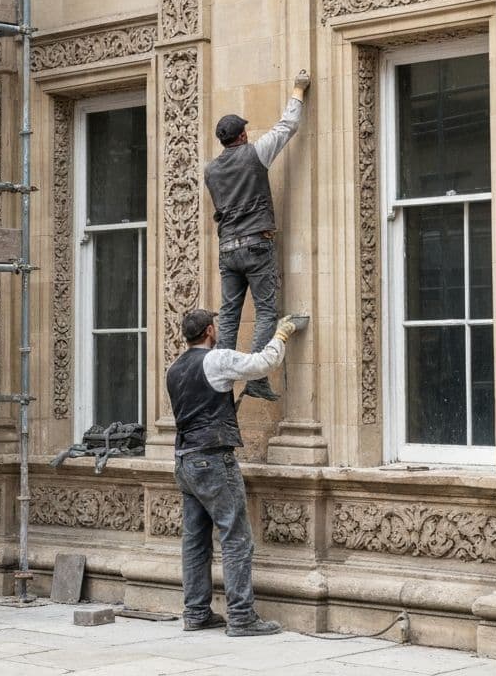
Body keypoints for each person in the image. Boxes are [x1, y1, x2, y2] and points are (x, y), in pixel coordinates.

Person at [167, 308, 306, 637]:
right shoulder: (216, 359)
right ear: (210, 331)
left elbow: (200, 407)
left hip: (185, 461)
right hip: (213, 460)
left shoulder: (174, 368)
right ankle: (242, 617)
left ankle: (197, 612)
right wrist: (281, 335)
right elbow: (261, 364)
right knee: (236, 537)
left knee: (195, 541)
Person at [204, 70, 310, 401]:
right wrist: (298, 90)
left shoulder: (210, 170)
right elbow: (286, 127)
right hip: (255, 244)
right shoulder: (255, 154)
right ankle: (258, 379)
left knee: (230, 314)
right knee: (266, 312)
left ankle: (220, 381)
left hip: (227, 249)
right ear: (242, 135)